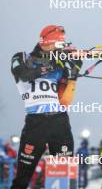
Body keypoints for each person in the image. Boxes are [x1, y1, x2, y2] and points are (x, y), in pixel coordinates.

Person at [10, 25, 82, 189]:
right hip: (36, 124)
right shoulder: (22, 57)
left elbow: (65, 99)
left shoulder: (60, 64)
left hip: (59, 122)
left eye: (62, 45)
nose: (60, 48)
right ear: (47, 42)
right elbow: (23, 73)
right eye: (58, 44)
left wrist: (74, 69)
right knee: (22, 177)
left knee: (64, 176)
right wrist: (51, 64)